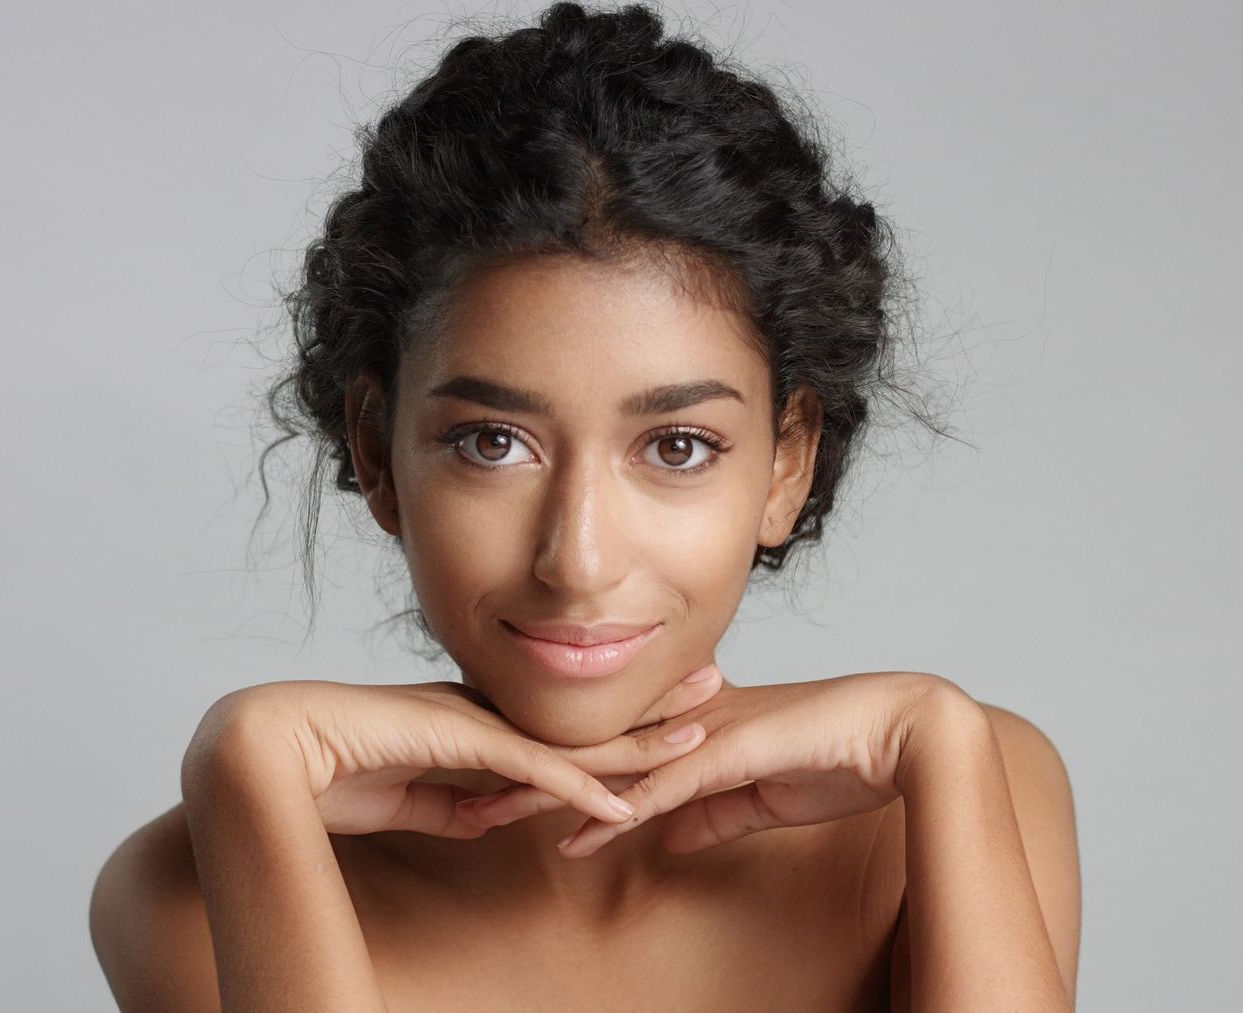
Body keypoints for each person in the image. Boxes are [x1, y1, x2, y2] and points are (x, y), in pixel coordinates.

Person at [89, 3, 1081, 1009]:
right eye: (492, 442)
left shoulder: (954, 788)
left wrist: (940, 744)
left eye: (676, 445)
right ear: (377, 453)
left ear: (785, 464)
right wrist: (248, 771)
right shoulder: (197, 878)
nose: (577, 559)